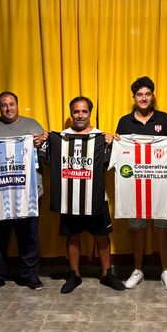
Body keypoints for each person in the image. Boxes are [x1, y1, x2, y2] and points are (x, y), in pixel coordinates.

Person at [41, 96, 125, 294]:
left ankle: (107, 273)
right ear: (71, 114)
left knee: (102, 235)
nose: (80, 115)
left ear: (90, 113)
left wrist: (113, 144)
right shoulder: (60, 137)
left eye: (84, 111)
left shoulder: (101, 137)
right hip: (68, 197)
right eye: (76, 111)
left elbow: (115, 163)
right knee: (72, 236)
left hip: (96, 197)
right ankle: (74, 274)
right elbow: (43, 157)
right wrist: (43, 142)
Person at [0, 91, 44, 295]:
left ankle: (30, 275)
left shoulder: (32, 125)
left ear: (17, 104)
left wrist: (41, 144)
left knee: (29, 238)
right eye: (4, 105)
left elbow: (47, 156)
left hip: (28, 193)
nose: (8, 108)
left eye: (12, 104)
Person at [115, 76, 167, 291]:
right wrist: (114, 142)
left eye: (147, 94)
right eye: (140, 94)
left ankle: (166, 271)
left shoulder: (163, 118)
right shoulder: (124, 121)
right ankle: (137, 270)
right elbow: (120, 151)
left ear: (152, 96)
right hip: (134, 185)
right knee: (137, 229)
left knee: (162, 228)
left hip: (159, 183)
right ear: (134, 97)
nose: (144, 98)